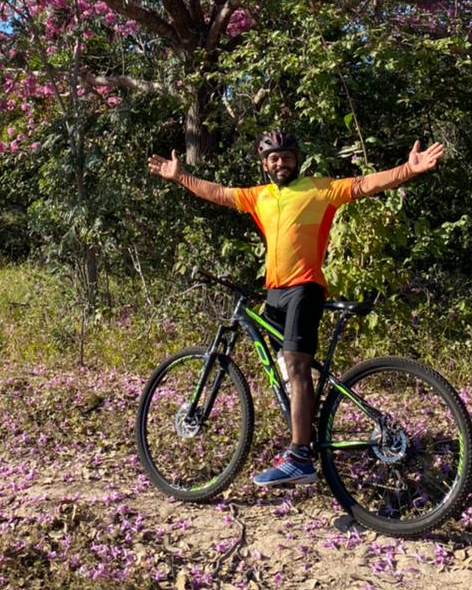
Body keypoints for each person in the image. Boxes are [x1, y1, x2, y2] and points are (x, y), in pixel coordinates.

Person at [147, 131, 444, 487]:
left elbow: (365, 184)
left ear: (296, 158)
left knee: (297, 368)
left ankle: (299, 456)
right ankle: (307, 436)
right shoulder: (260, 197)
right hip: (274, 294)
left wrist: (407, 171)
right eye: (273, 157)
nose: (280, 162)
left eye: (286, 156)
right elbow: (219, 193)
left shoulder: (319, 189)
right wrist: (181, 176)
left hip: (305, 288)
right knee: (288, 374)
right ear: (265, 164)